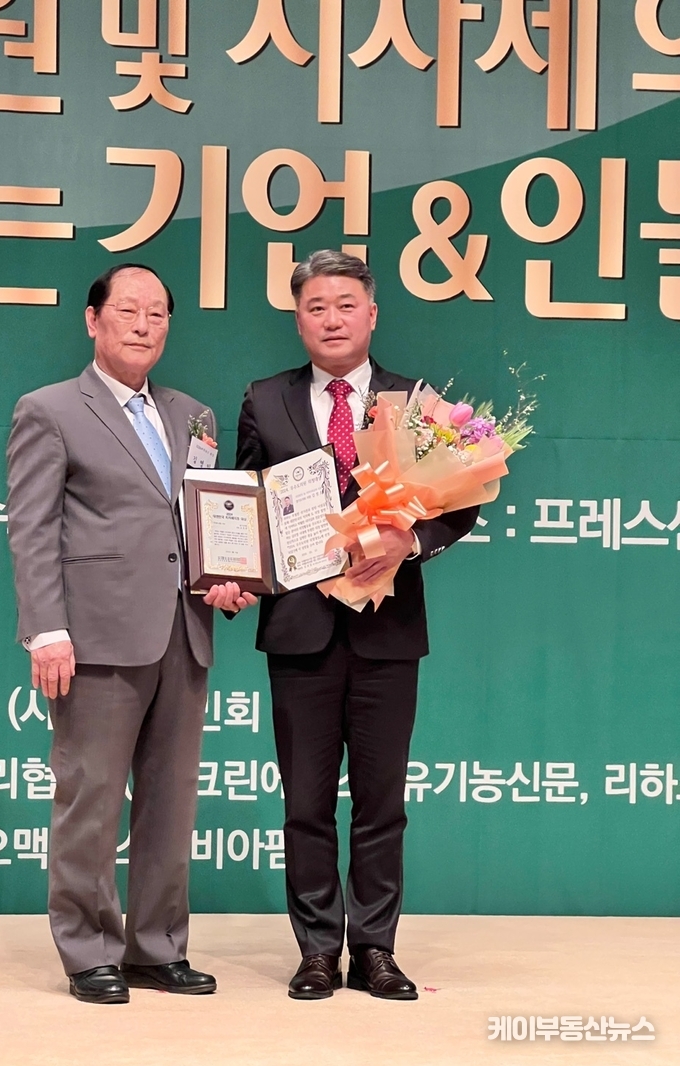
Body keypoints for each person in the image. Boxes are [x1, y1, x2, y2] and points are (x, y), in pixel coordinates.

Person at [6, 263, 256, 1004]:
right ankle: (89, 951)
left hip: (184, 630)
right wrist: (46, 630)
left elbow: (205, 521)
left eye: (158, 314)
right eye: (128, 310)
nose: (144, 325)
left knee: (171, 803)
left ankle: (157, 946)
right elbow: (31, 529)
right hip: (94, 637)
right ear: (93, 320)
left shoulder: (194, 415)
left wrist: (226, 577)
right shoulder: (50, 409)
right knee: (91, 799)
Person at [236, 250, 478, 1001]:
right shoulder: (264, 399)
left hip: (387, 630)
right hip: (299, 630)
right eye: (316, 306)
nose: (332, 319)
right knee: (305, 804)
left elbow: (460, 501)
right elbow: (242, 503)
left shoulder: (415, 402)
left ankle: (375, 949)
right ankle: (317, 951)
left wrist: (413, 541)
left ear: (372, 314)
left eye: (346, 305)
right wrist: (232, 571)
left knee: (381, 803)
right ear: (298, 319)